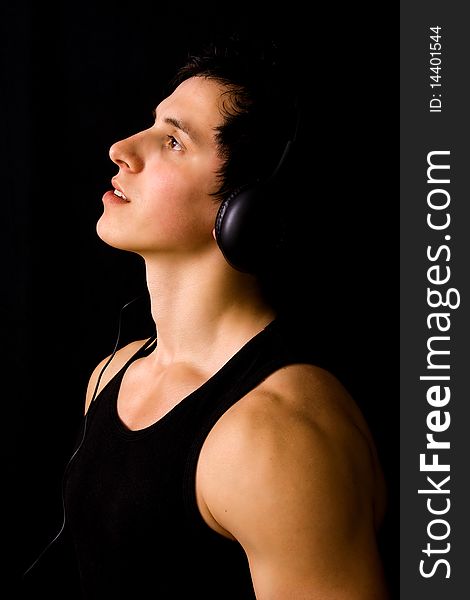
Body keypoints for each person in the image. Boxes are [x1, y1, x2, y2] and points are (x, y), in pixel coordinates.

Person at [57, 34, 390, 599]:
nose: (122, 148)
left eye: (174, 142)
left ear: (247, 210)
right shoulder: (111, 378)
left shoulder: (276, 437)